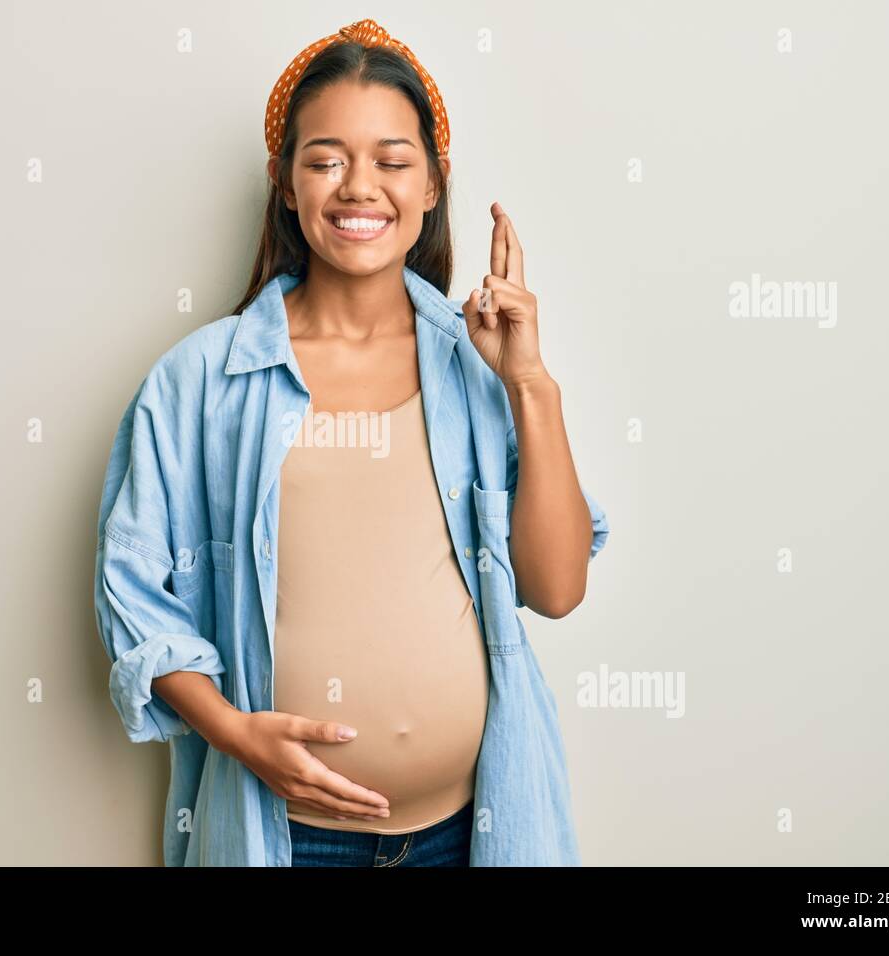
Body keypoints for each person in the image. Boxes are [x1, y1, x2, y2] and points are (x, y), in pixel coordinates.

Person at [94, 18, 609, 867]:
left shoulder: (479, 373)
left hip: (474, 831)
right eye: (326, 159)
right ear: (286, 184)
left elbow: (556, 590)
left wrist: (529, 383)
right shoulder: (200, 382)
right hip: (286, 839)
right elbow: (132, 594)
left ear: (433, 185)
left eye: (392, 161)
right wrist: (236, 734)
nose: (358, 187)